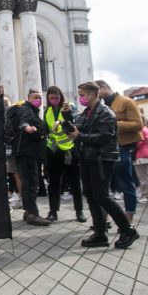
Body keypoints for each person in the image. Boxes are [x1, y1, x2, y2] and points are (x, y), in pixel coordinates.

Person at [68, 81, 138, 250]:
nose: (81, 98)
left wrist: (80, 136)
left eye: (83, 95)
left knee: (102, 195)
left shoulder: (106, 113)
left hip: (101, 159)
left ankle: (127, 229)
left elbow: (104, 137)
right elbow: (79, 128)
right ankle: (100, 232)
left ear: (93, 94)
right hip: (87, 158)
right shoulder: (86, 112)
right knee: (91, 195)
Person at [95, 80, 143, 223]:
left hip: (122, 146)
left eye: (96, 92)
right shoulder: (102, 106)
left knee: (126, 184)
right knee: (105, 186)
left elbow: (138, 124)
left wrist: (113, 124)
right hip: (106, 148)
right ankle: (105, 218)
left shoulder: (125, 101)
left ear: (103, 88)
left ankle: (128, 220)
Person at [43, 86, 85, 222]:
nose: (54, 100)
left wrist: (63, 120)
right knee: (53, 183)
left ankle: (79, 211)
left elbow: (73, 127)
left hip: (69, 150)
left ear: (61, 97)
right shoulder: (47, 111)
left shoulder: (68, 108)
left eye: (57, 97)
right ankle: (53, 211)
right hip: (54, 151)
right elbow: (48, 130)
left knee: (74, 183)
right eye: (51, 98)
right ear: (48, 99)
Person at [11, 90, 52, 227]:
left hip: (28, 153)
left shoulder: (33, 111)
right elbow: (24, 122)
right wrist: (27, 127)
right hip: (27, 153)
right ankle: (33, 214)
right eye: (36, 97)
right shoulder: (26, 110)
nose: (39, 100)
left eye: (40, 98)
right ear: (28, 98)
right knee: (32, 183)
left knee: (28, 183)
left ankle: (28, 212)